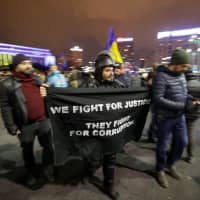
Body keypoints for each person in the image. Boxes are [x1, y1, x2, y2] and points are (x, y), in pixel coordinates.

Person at [0, 54, 55, 186]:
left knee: (48, 148)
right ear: (16, 66)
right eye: (24, 63)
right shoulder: (7, 84)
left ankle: (48, 171)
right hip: (25, 125)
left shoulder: (37, 79)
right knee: (28, 151)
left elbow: (46, 96)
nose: (29, 65)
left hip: (43, 121)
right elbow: (5, 107)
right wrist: (12, 127)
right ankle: (31, 174)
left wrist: (47, 93)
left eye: (29, 63)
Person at [152, 49, 197, 188]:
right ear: (175, 63)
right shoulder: (161, 76)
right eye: (184, 66)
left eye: (187, 67)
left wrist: (191, 100)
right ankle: (159, 170)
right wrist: (181, 106)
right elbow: (158, 99)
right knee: (162, 146)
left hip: (179, 117)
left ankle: (170, 164)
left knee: (182, 142)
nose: (185, 69)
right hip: (165, 118)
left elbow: (183, 93)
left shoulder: (181, 75)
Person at [84, 51, 124, 200]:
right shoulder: (89, 86)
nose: (111, 73)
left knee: (110, 157)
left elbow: (130, 97)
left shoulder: (118, 86)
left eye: (112, 69)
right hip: (94, 131)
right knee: (93, 157)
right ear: (99, 71)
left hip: (111, 130)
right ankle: (89, 168)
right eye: (107, 70)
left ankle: (109, 185)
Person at [185, 71, 200, 163]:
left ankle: (174, 153)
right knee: (191, 133)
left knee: (178, 133)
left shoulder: (185, 85)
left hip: (185, 112)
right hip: (196, 112)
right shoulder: (199, 84)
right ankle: (190, 156)